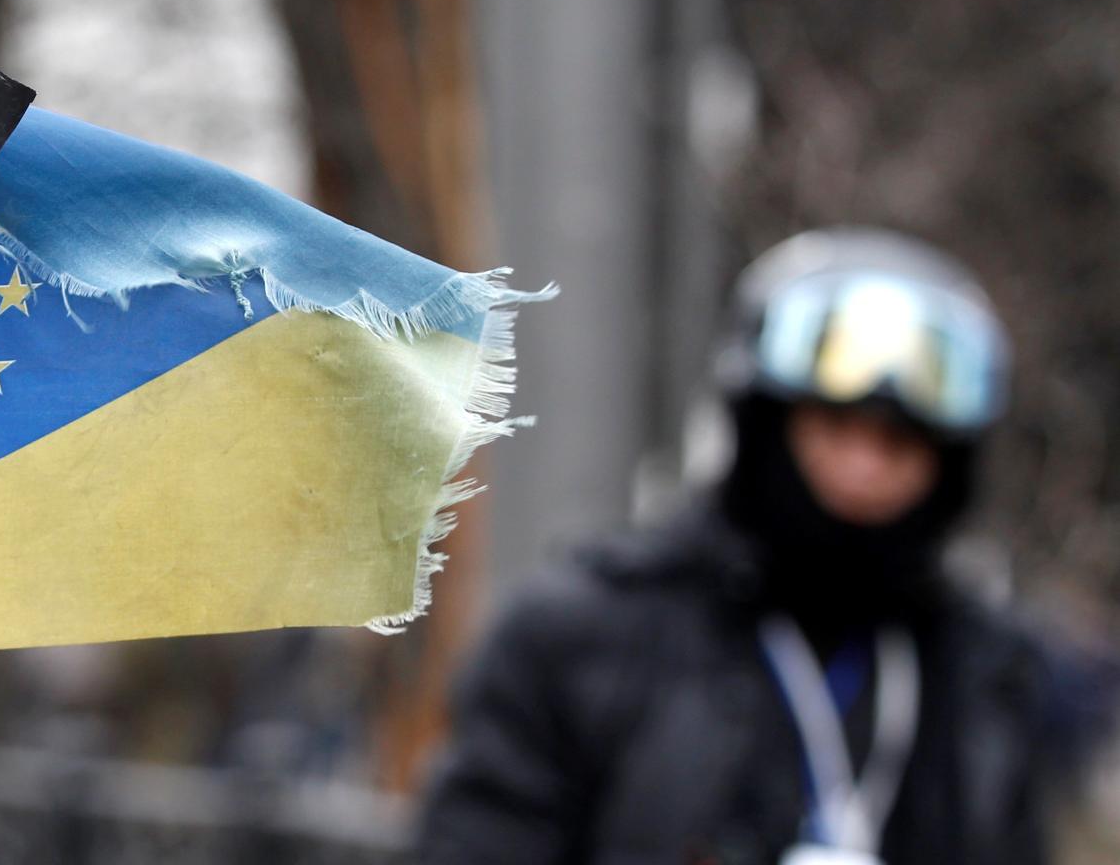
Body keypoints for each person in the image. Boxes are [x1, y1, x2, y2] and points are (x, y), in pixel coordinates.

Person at [417, 229, 1104, 865]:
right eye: (835, 426)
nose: (865, 468)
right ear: (767, 427)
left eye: (900, 441)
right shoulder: (580, 638)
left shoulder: (988, 676)